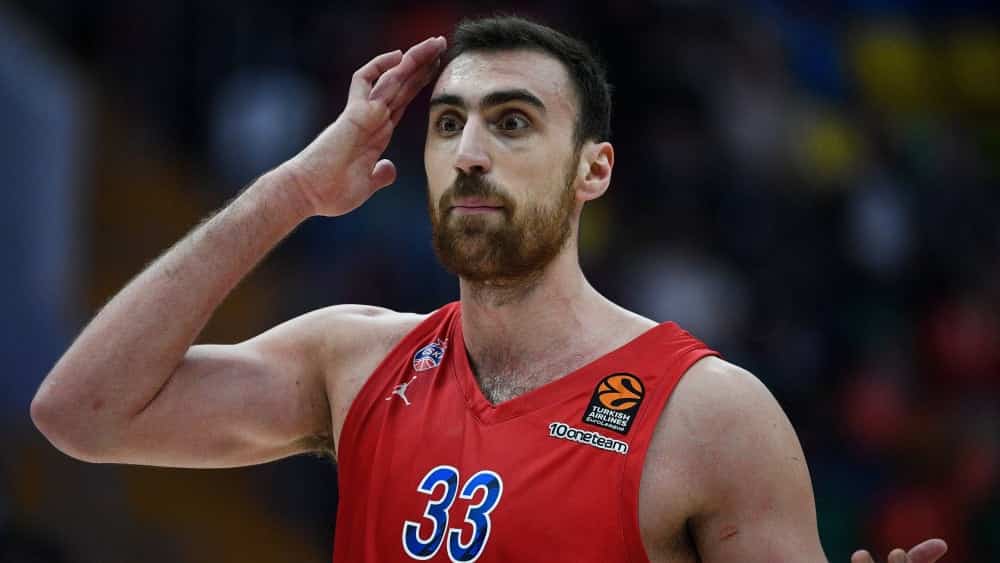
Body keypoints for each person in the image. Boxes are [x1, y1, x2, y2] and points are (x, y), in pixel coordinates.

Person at [31, 16, 947, 563]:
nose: (470, 151)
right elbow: (82, 411)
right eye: (447, 124)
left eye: (512, 123)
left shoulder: (710, 415)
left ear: (593, 169)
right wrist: (291, 193)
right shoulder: (353, 359)